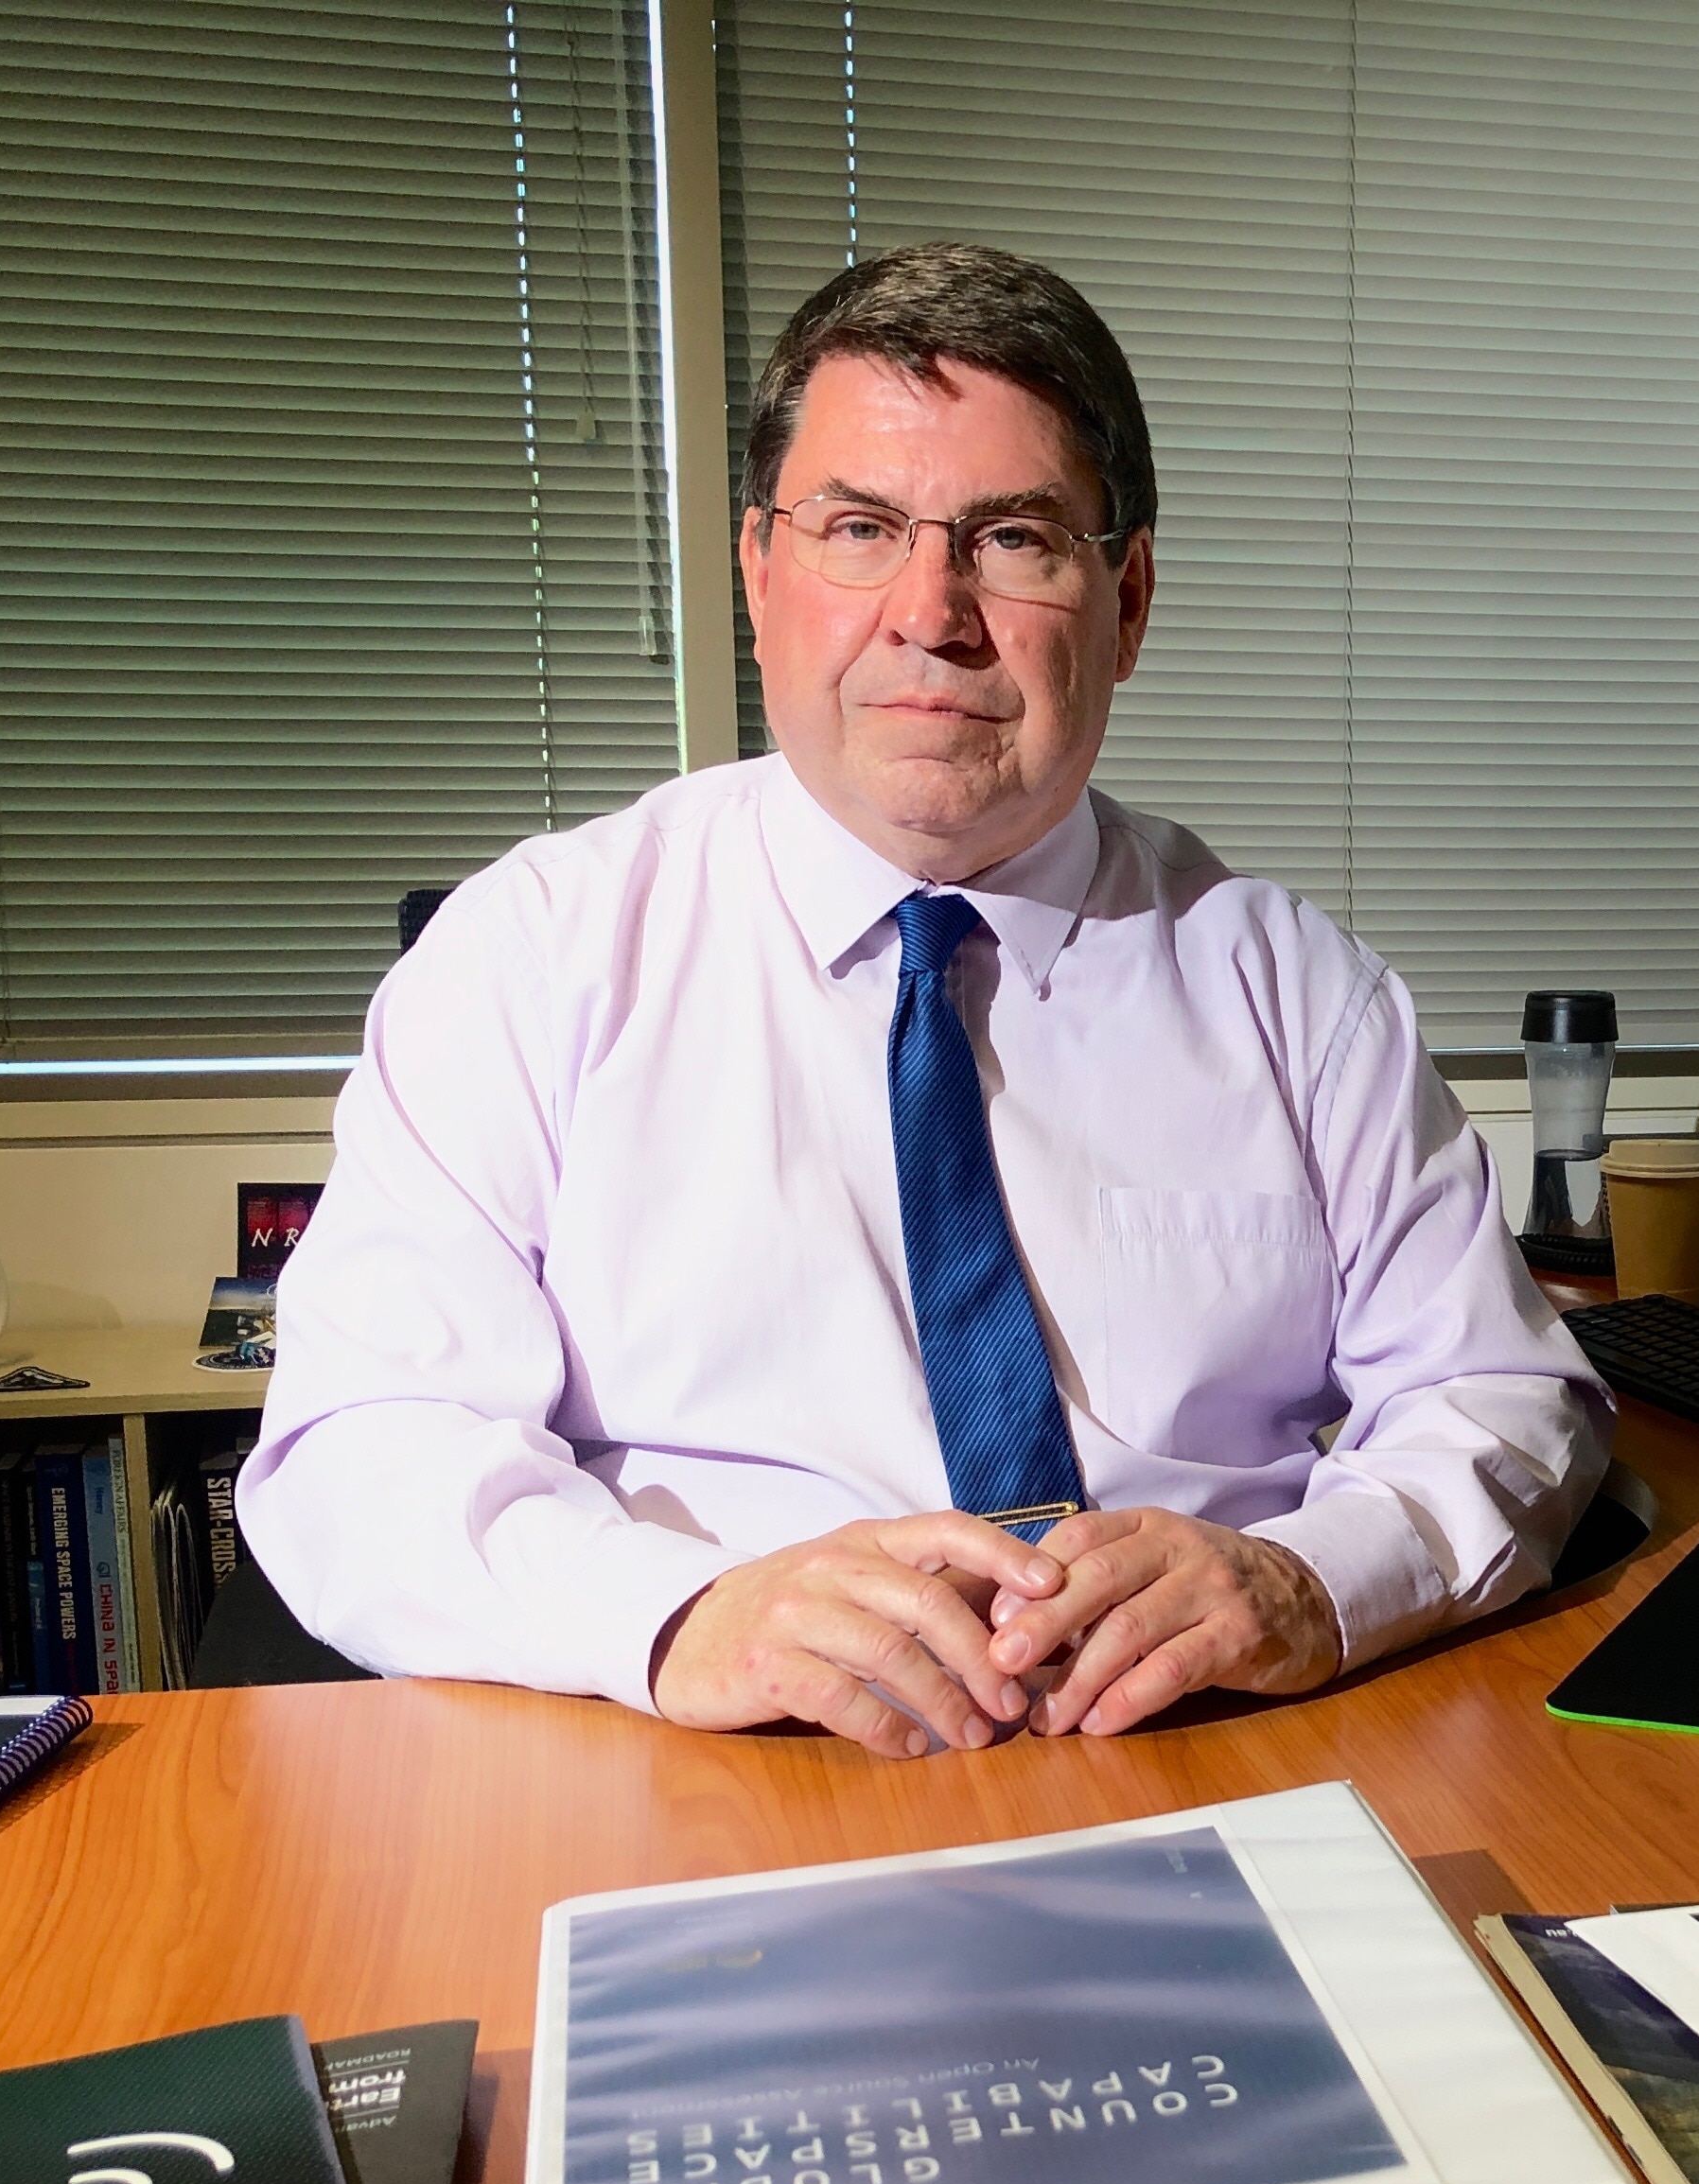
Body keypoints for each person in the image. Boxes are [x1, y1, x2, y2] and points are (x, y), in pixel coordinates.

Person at [236, 242, 1610, 1756]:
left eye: (1014, 538)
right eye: (860, 529)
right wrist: (679, 1617)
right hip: (712, 1772)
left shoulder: (1295, 993)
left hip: (1203, 1754)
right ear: (760, 571)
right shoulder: (535, 956)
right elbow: (361, 1447)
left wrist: (1308, 1580)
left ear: (1128, 597)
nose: (930, 612)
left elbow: (1503, 1397)